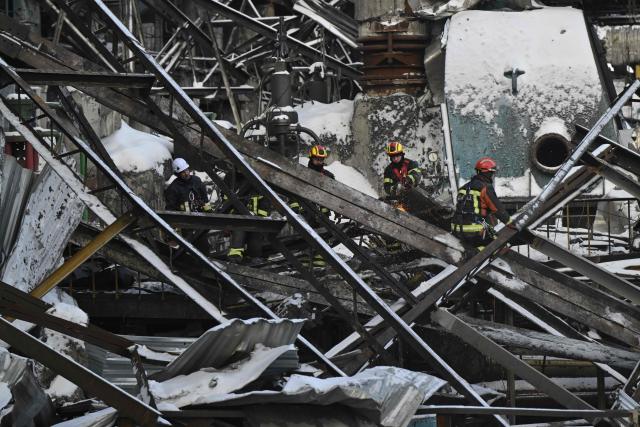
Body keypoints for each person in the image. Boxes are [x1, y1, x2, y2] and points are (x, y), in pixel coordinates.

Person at [450, 156, 512, 249]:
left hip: (456, 230)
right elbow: (497, 208)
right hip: (473, 231)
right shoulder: (485, 187)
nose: (492, 176)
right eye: (492, 173)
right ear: (487, 173)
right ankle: (478, 255)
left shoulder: (464, 187)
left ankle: (474, 253)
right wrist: (511, 223)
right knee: (499, 245)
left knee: (489, 231)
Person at [165, 157, 212, 252]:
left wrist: (209, 213)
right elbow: (171, 209)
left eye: (186, 170)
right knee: (192, 245)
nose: (186, 173)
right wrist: (171, 229)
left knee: (204, 245)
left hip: (201, 217)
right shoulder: (174, 188)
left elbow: (204, 197)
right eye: (183, 172)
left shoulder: (196, 181)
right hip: (186, 222)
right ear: (178, 174)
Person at [383, 141, 422, 206]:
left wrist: (408, 180)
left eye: (397, 155)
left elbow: (416, 175)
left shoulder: (411, 163)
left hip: (414, 196)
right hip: (398, 199)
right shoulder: (388, 170)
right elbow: (387, 187)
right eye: (392, 156)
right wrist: (395, 188)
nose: (395, 158)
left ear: (401, 154)